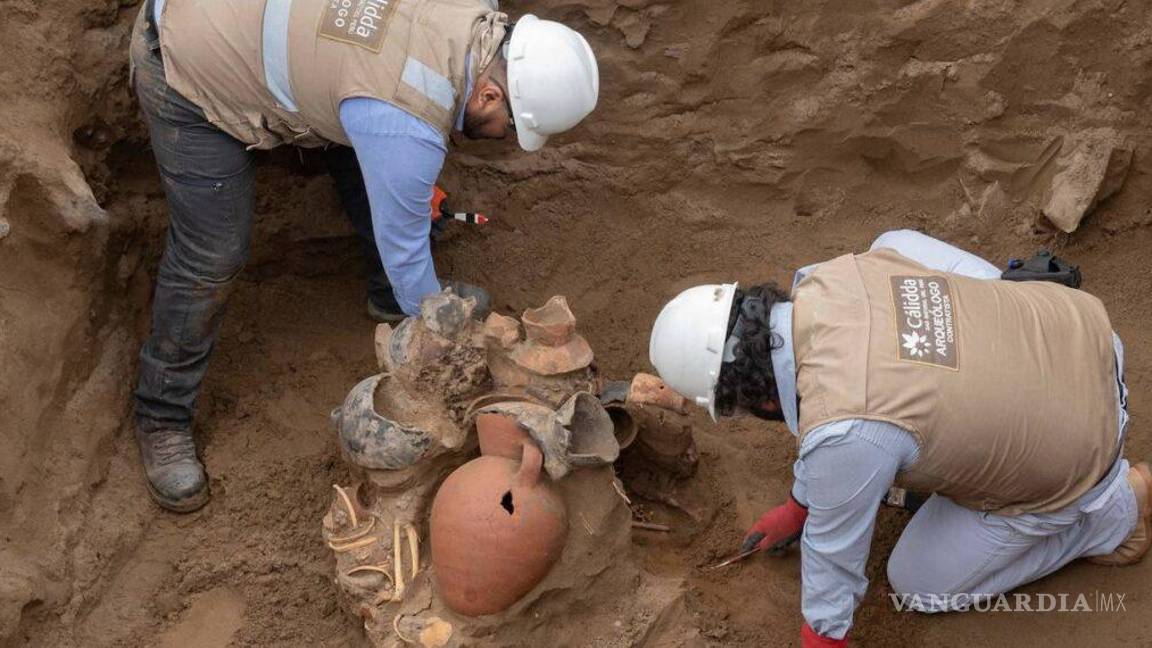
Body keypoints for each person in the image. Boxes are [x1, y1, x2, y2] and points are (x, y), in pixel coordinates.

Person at [128, 0, 599, 512]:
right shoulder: (403, 126)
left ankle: (383, 300)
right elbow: (410, 265)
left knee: (366, 139)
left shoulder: (473, 12)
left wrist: (407, 185)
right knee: (212, 252)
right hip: (186, 58)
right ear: (489, 93)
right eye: (510, 128)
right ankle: (161, 414)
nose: (505, 139)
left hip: (283, 39)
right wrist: (447, 341)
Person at [648, 230, 1150, 647]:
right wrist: (798, 507)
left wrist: (822, 638)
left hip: (1085, 446)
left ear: (754, 401)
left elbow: (833, 560)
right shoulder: (831, 275)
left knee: (917, 584)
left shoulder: (844, 432)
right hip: (1081, 331)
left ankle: (1115, 512)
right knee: (897, 246)